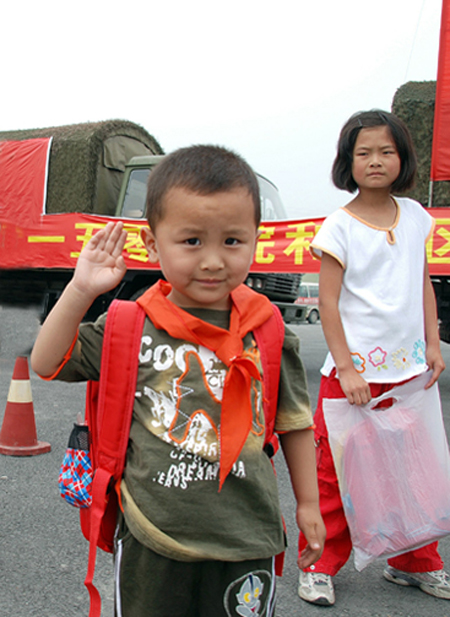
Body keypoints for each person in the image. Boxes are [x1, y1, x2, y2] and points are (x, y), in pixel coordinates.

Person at [31, 144, 326, 617]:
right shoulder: (130, 323)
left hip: (248, 538)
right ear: (152, 243)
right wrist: (82, 288)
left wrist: (309, 505)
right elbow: (46, 362)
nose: (212, 261)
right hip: (153, 538)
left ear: (255, 240)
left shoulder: (268, 329)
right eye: (191, 241)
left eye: (232, 241)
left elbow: (294, 424)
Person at [297, 110, 450, 607]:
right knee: (338, 474)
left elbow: (421, 283)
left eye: (386, 151)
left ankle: (414, 563)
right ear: (348, 162)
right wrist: (346, 367)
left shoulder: (416, 216)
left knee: (413, 470)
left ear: (402, 158)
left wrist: (432, 342)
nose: (376, 161)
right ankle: (319, 565)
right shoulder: (338, 227)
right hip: (352, 377)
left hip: (408, 372)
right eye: (363, 153)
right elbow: (328, 303)